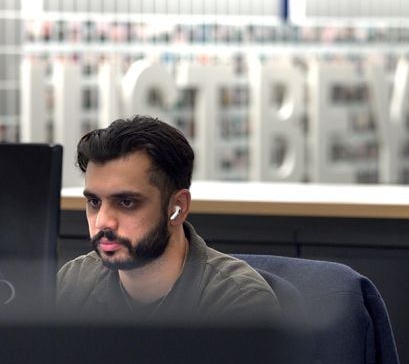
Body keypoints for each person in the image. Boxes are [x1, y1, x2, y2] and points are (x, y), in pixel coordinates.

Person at [57, 115, 280, 320]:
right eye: (94, 202)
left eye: (126, 202)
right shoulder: (73, 283)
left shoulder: (239, 302)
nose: (102, 221)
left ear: (178, 208)